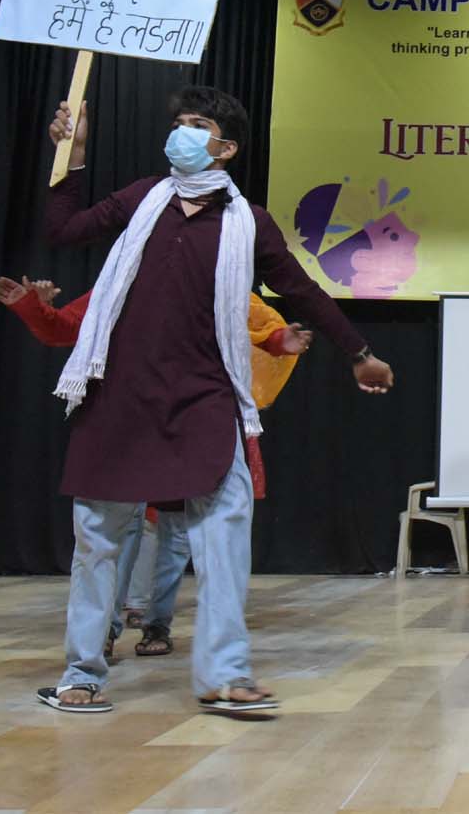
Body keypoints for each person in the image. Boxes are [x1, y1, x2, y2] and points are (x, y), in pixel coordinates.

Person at [37, 86, 393, 716]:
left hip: (204, 395)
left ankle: (226, 675)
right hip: (119, 391)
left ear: (225, 148)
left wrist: (357, 350)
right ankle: (81, 673)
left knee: (225, 533)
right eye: (179, 122)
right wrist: (74, 154)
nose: (181, 132)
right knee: (97, 539)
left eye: (197, 124)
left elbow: (301, 290)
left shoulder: (248, 222)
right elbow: (63, 230)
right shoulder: (143, 197)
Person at [0, 275, 310, 656]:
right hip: (132, 420)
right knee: (120, 531)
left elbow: (253, 326)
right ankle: (104, 633)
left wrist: (279, 341)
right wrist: (33, 308)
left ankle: (159, 624)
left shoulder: (215, 276)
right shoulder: (123, 277)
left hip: (191, 421)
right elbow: (65, 328)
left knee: (176, 533)